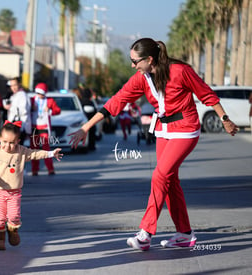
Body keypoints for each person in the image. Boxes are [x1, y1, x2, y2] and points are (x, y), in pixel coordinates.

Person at [69, 37, 238, 251]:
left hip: (186, 129)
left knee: (160, 176)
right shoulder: (142, 77)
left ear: (149, 59)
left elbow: (206, 94)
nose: (132, 65)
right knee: (169, 181)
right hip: (163, 131)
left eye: (135, 61)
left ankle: (146, 233)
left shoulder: (180, 71)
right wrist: (86, 127)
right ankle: (185, 234)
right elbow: (116, 101)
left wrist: (224, 119)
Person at [0, 120, 63, 250]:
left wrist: (50, 153)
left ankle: (12, 230)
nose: (8, 146)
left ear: (18, 141)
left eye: (12, 143)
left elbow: (35, 153)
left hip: (15, 192)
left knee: (14, 216)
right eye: (4, 142)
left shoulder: (21, 151)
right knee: (0, 217)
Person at [30, 83, 61, 176]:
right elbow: (25, 110)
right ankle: (34, 170)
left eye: (42, 94)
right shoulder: (32, 100)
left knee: (46, 149)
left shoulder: (50, 100)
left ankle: (50, 169)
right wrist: (31, 108)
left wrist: (50, 111)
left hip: (44, 127)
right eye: (38, 93)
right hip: (34, 127)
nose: (40, 95)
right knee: (34, 150)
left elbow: (58, 110)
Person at [4, 77, 32, 144]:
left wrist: (10, 107)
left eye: (15, 85)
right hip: (16, 125)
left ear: (19, 84)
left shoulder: (22, 95)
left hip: (20, 125)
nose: (13, 87)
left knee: (17, 147)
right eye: (11, 85)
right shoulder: (15, 95)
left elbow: (23, 110)